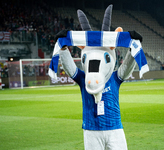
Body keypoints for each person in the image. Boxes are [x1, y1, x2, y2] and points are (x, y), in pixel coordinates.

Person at [52, 5, 144, 150]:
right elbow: (71, 68)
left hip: (114, 128)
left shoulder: (114, 78)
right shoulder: (83, 79)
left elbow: (126, 67)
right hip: (91, 130)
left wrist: (133, 48)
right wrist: (63, 48)